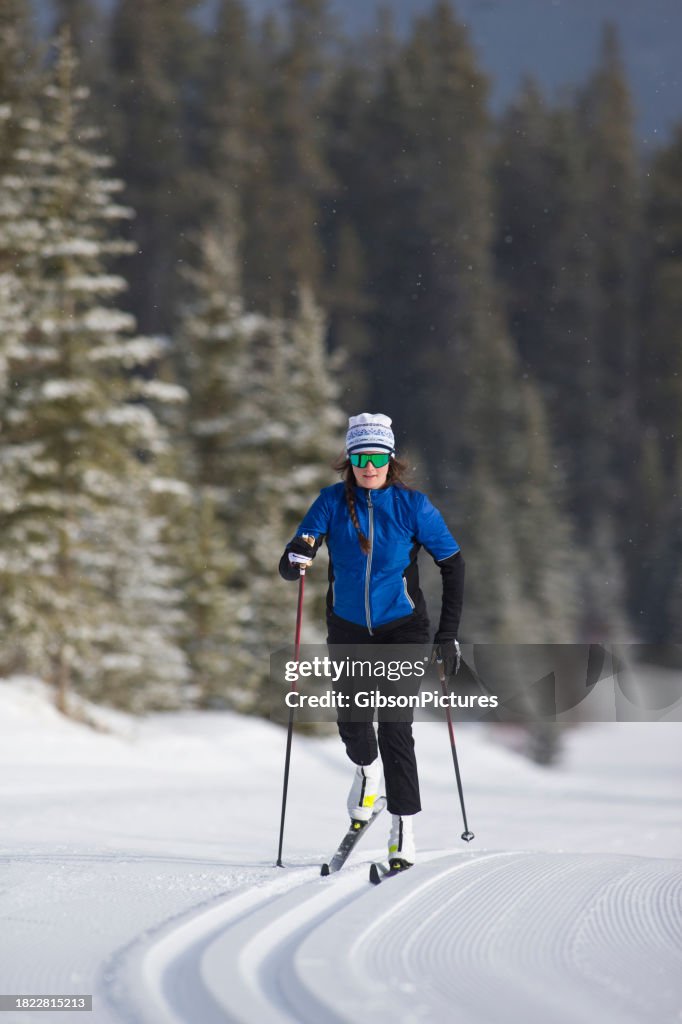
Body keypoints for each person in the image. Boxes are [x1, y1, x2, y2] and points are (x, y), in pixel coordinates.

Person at [279, 413, 465, 870]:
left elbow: (454, 564)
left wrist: (447, 635)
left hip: (403, 629)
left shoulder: (413, 507)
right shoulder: (329, 503)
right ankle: (367, 774)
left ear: (390, 459)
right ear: (349, 459)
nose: (369, 465)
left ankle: (403, 830)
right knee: (355, 726)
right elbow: (291, 562)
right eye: (360, 456)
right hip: (347, 629)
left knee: (396, 726)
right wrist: (296, 556)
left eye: (377, 457)